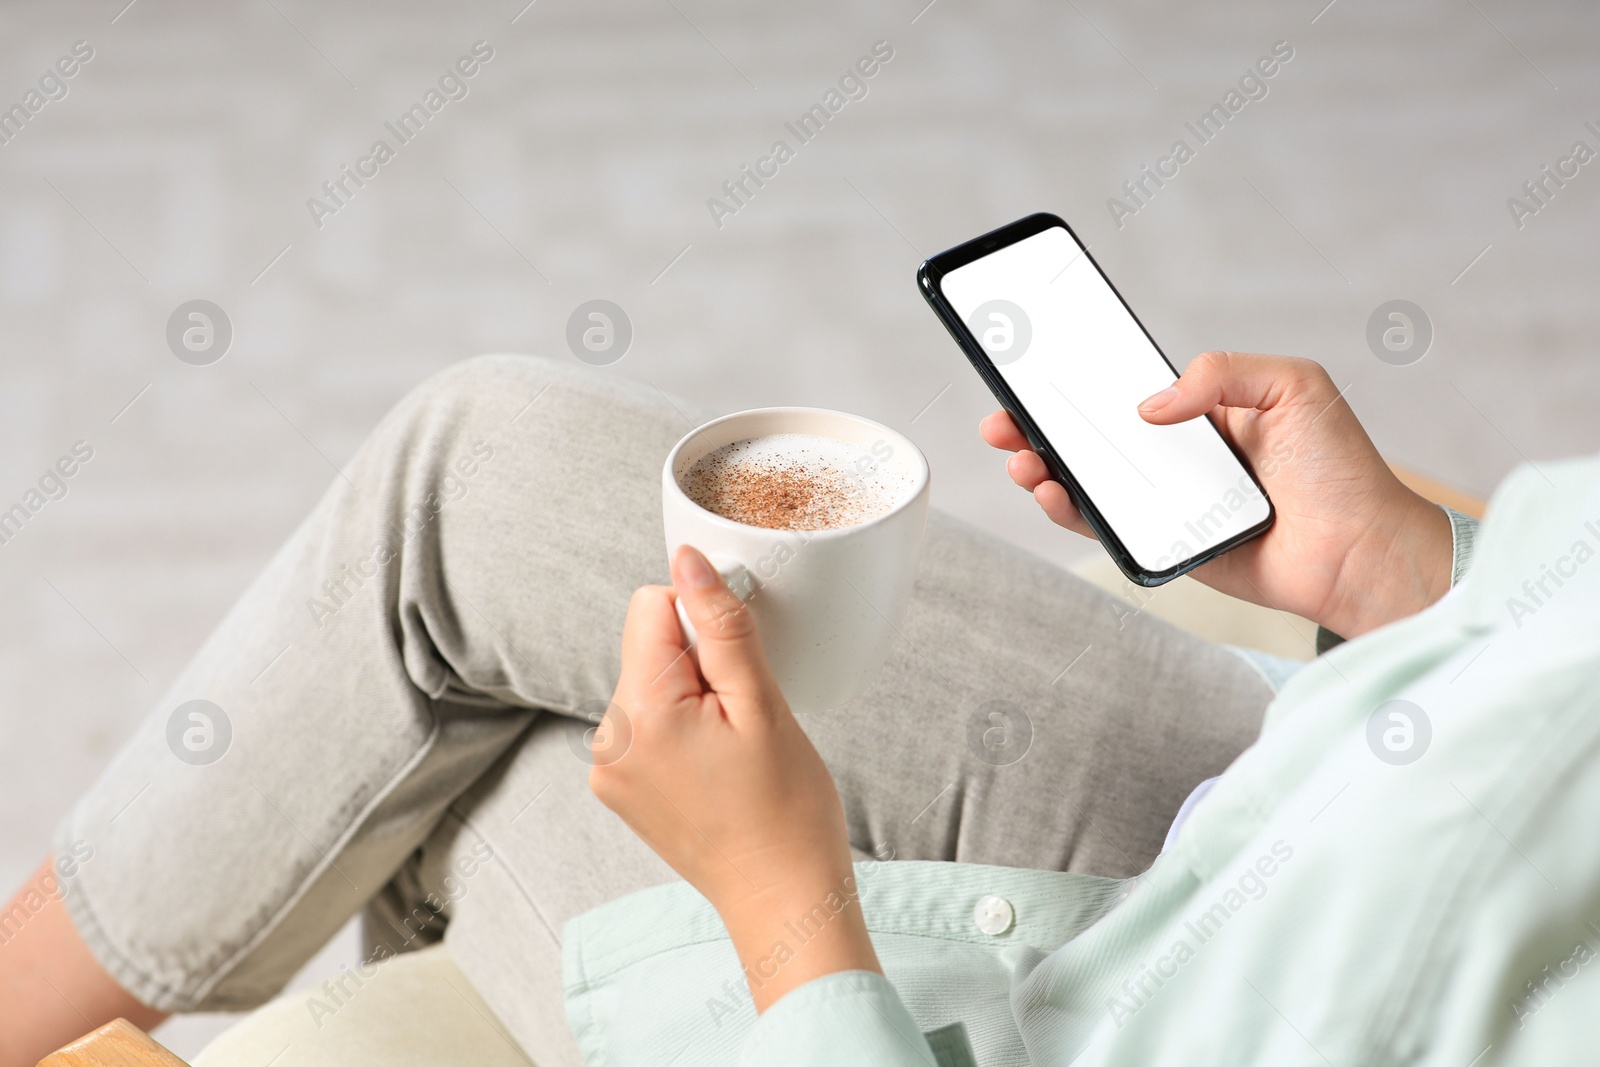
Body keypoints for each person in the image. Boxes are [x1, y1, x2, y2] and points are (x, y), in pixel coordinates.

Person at [1, 351, 1592, 1066]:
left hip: (1140, 1004)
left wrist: (784, 913)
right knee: (480, 472)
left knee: (506, 770)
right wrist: (1410, 580)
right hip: (1299, 810)